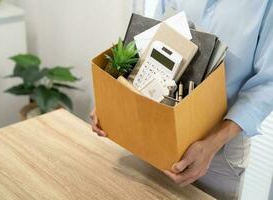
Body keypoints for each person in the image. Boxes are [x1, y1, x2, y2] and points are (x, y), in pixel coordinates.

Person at [90, 0, 273, 199]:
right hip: (158, 125)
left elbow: (268, 85)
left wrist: (211, 144)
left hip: (220, 145)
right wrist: (114, 98)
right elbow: (154, 38)